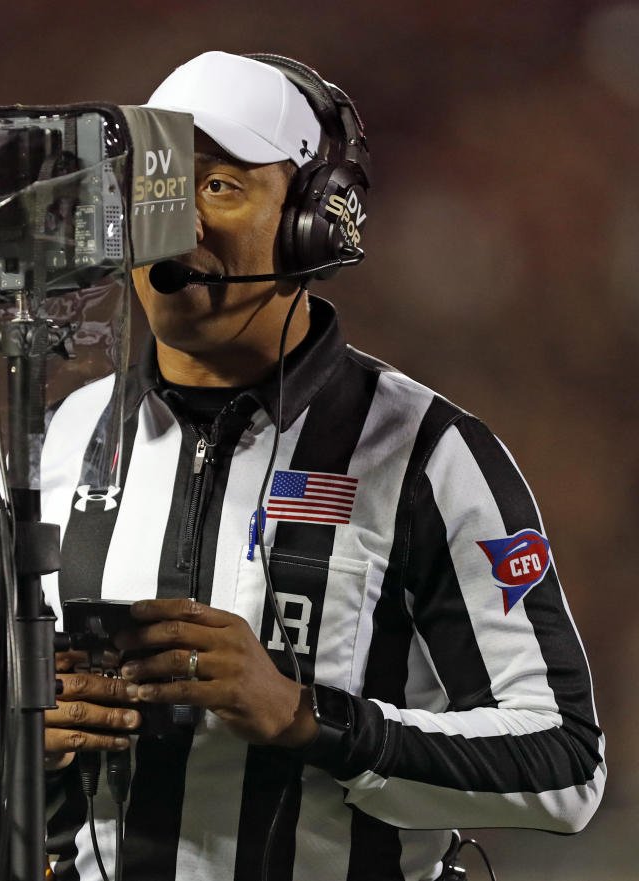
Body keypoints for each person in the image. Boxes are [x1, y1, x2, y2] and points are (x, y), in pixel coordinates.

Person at [38, 51, 605, 880]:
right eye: (159, 184)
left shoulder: (427, 453)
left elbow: (564, 765)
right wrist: (19, 734)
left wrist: (312, 720)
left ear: (315, 220)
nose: (179, 224)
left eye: (221, 186)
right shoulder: (62, 435)